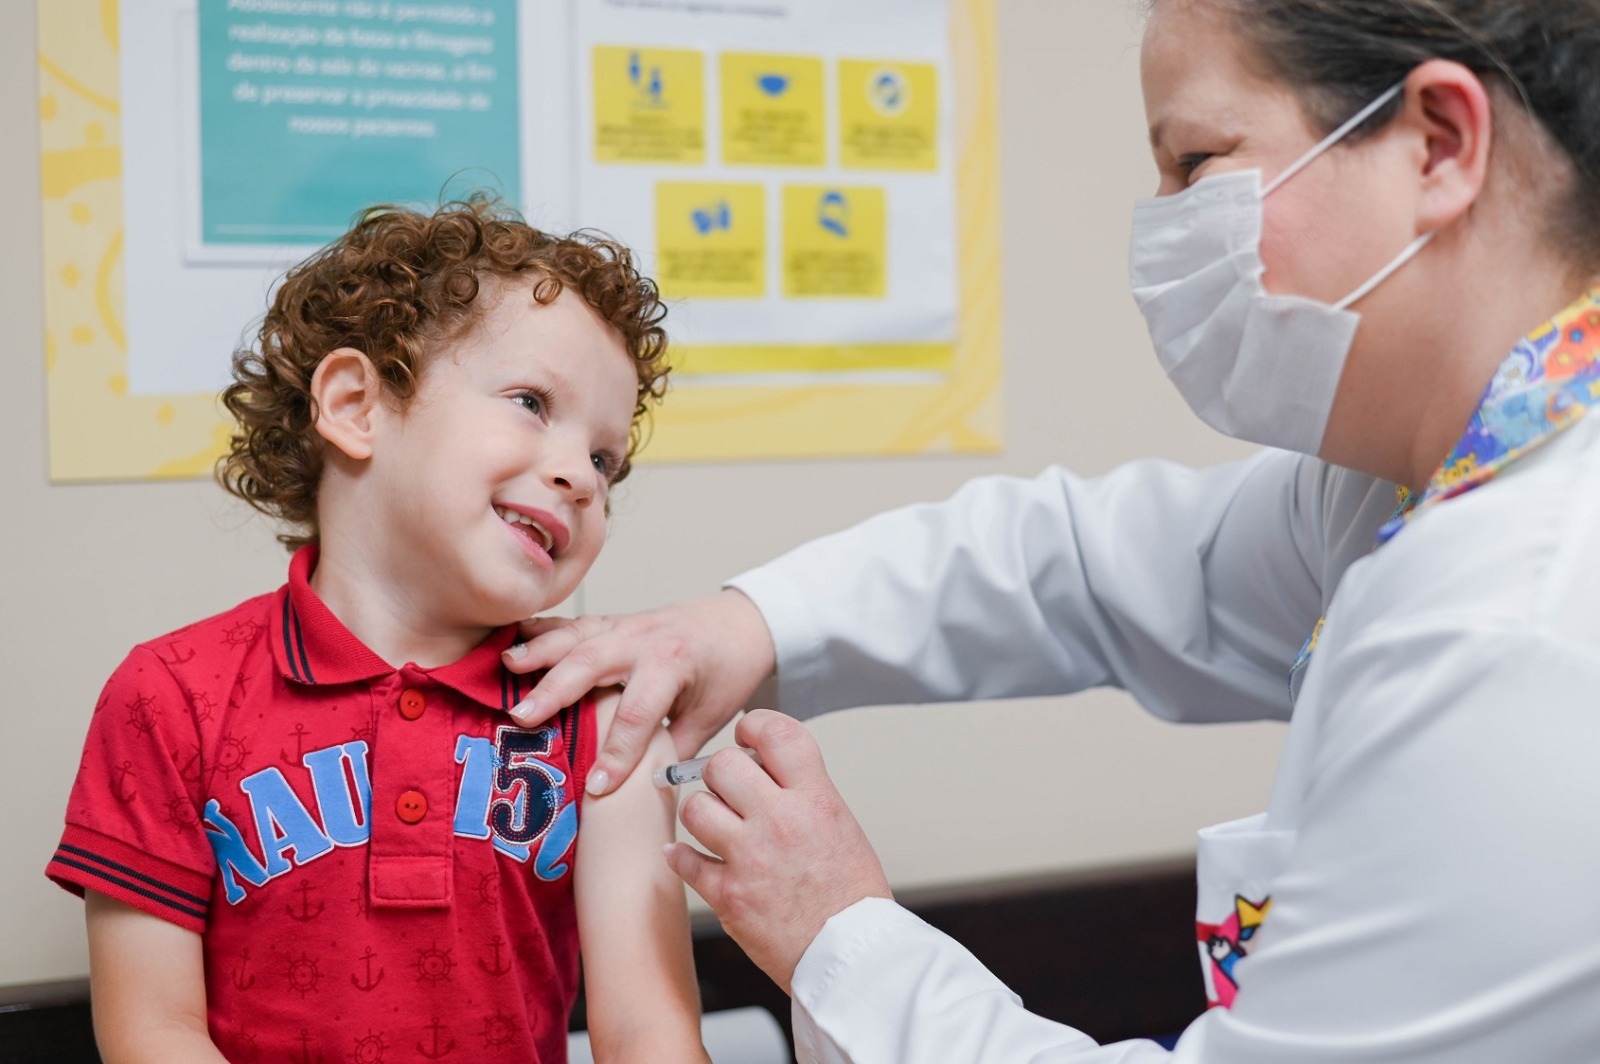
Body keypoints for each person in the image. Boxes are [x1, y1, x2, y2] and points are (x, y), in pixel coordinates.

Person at [503, 0, 1600, 1059]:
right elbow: (1082, 567)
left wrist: (838, 933)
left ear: (1438, 143)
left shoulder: (1530, 625)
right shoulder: (1413, 486)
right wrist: (749, 624)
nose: (1164, 222)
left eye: (1196, 162)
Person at [46, 199, 709, 1063]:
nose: (579, 478)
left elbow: (649, 1036)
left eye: (603, 460)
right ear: (356, 404)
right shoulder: (170, 697)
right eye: (531, 402)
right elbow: (151, 1031)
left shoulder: (606, 724)